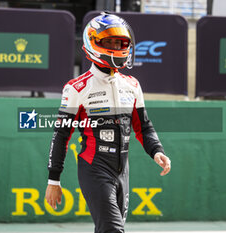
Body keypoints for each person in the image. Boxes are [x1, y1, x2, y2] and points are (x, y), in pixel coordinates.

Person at [45, 12, 171, 233]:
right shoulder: (76, 87)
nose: (117, 46)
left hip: (123, 171)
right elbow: (61, 135)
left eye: (121, 42)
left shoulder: (132, 85)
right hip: (94, 169)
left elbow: (143, 126)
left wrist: (157, 151)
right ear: (92, 43)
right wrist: (53, 180)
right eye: (110, 41)